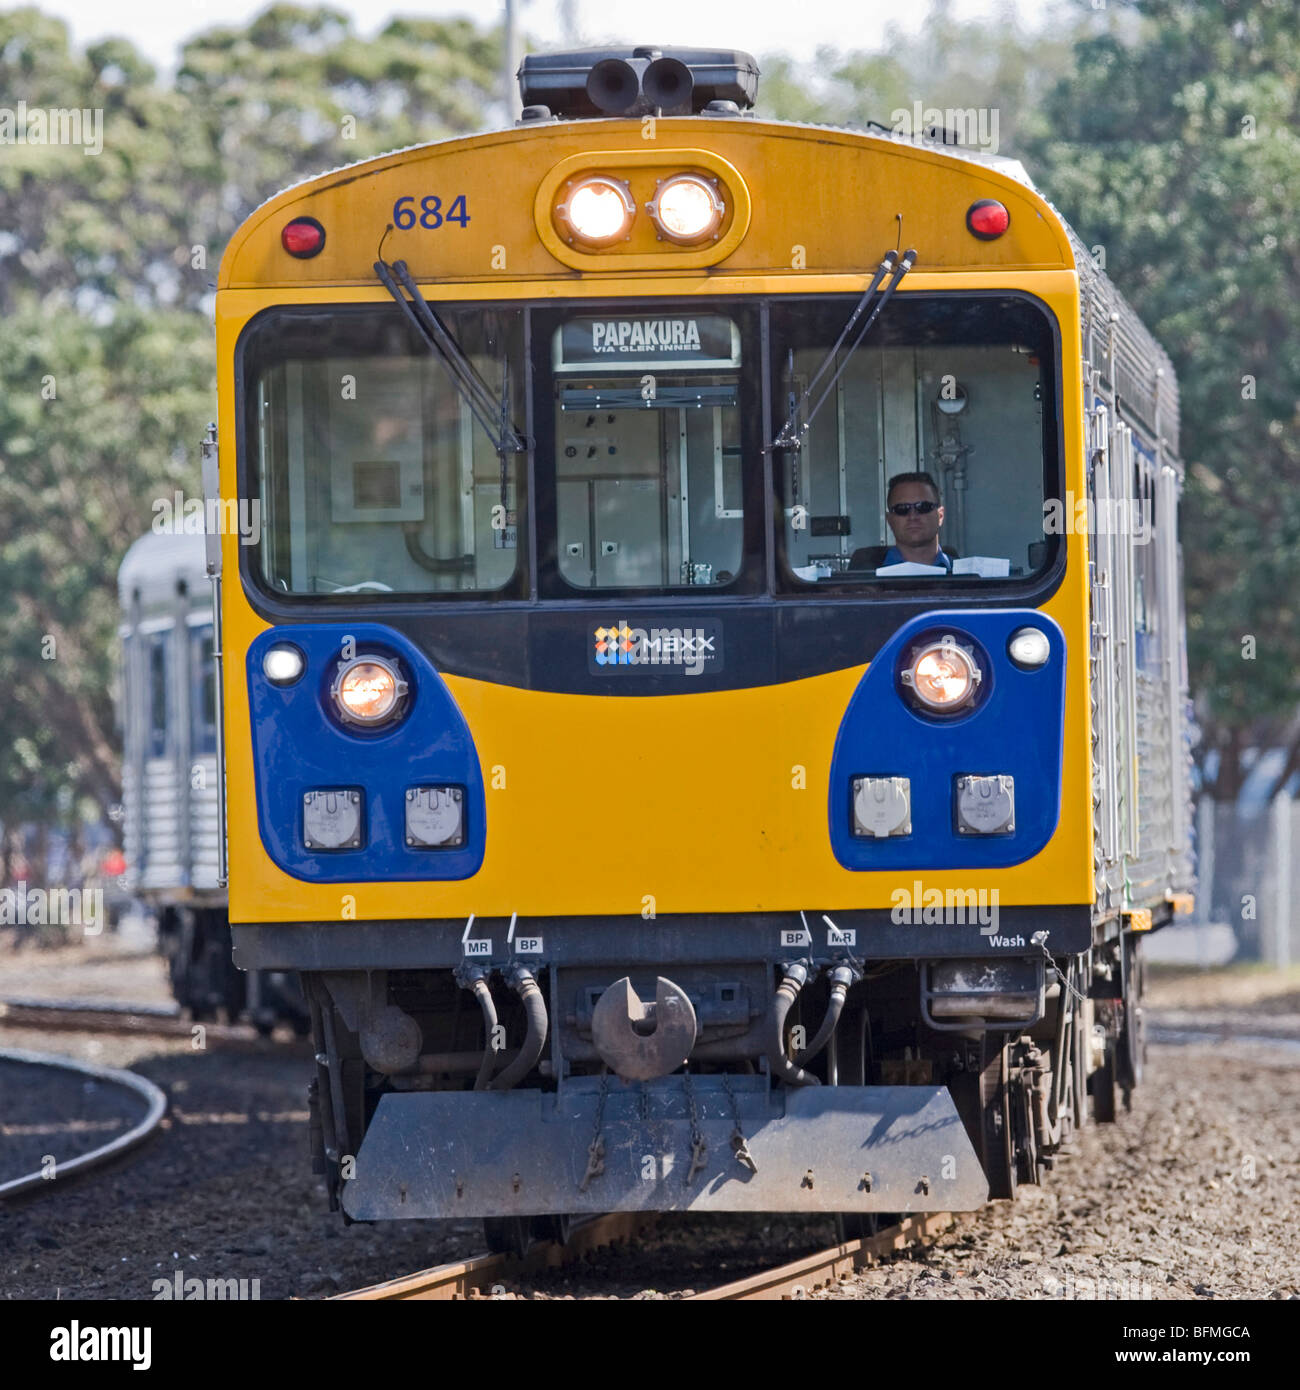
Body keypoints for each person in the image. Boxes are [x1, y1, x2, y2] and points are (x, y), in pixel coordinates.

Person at [880, 471, 953, 570]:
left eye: (923, 507)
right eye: (902, 509)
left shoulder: (966, 574)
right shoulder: (865, 576)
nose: (913, 516)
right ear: (889, 520)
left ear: (940, 516)